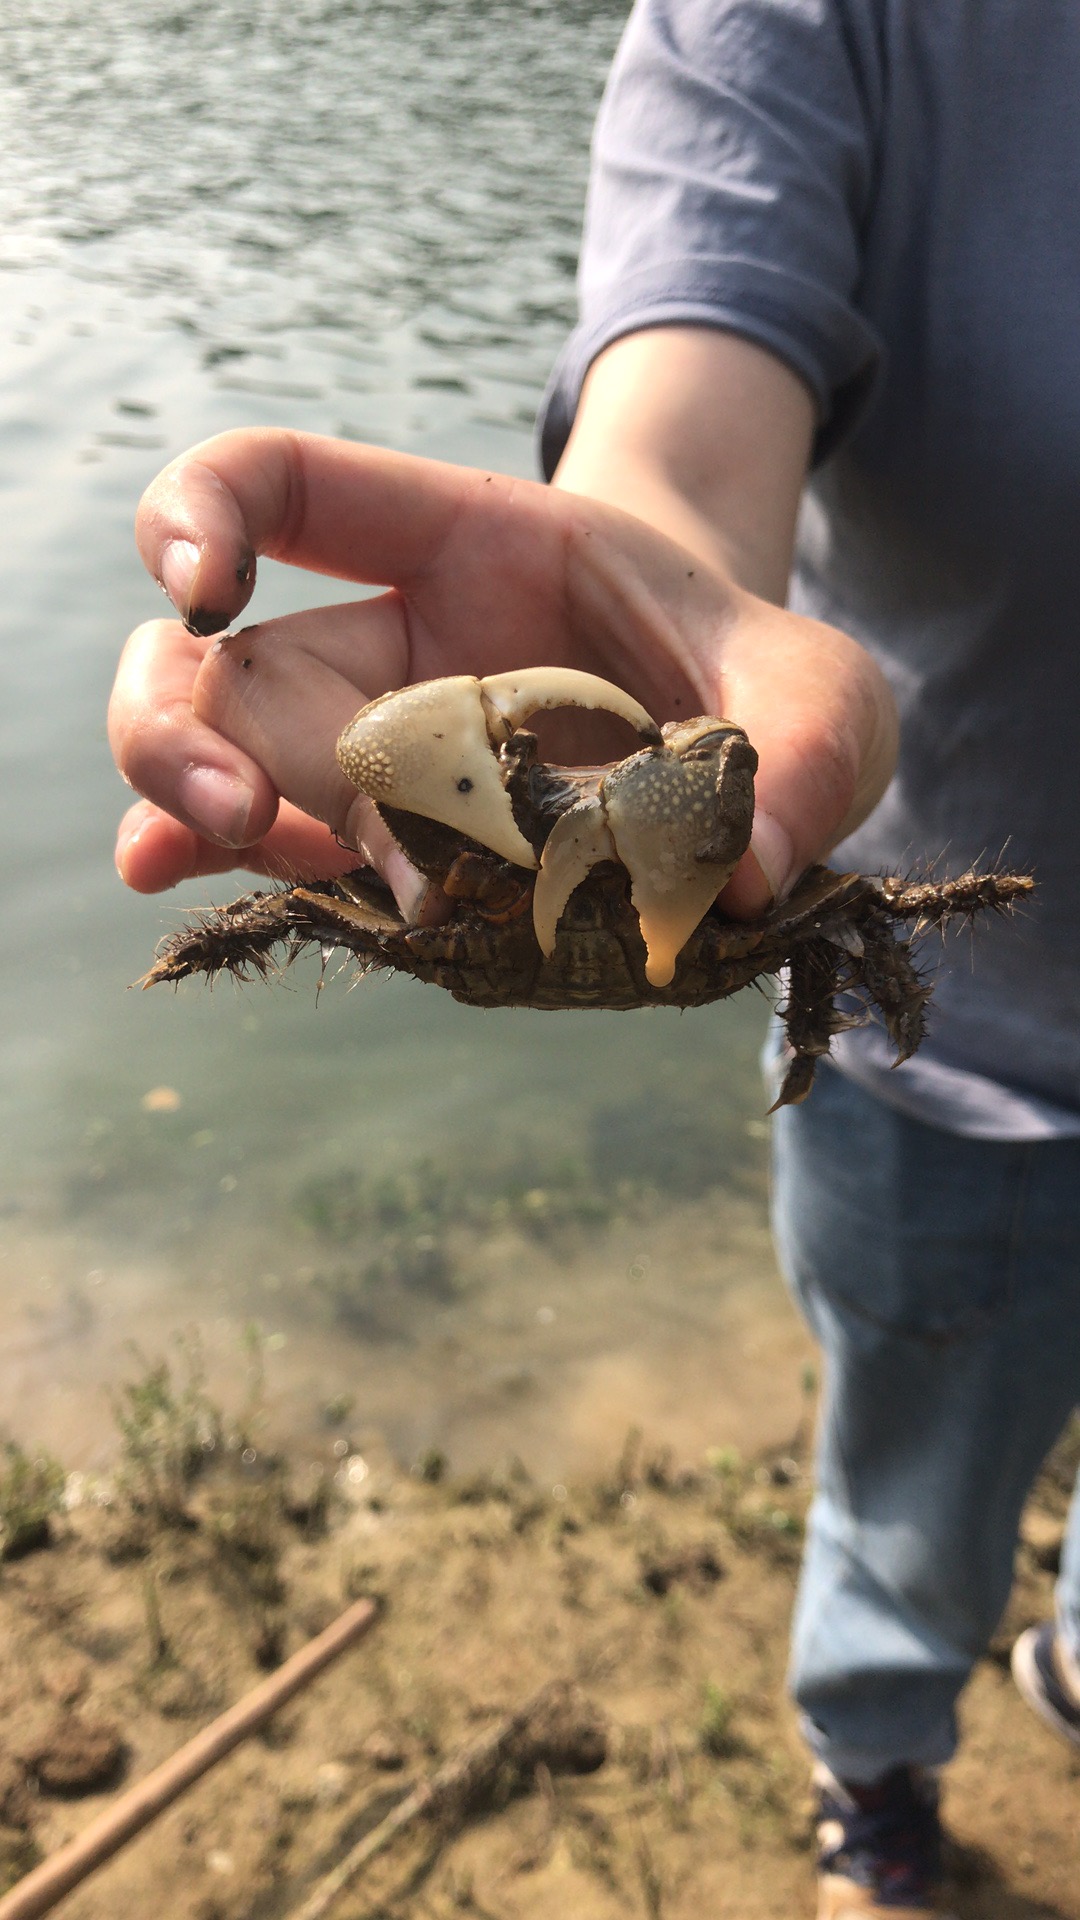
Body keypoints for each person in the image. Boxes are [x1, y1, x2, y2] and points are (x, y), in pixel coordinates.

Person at [108, 3, 1080, 1914]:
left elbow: (857, 921)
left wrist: (849, 956)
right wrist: (634, 595)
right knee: (908, 1479)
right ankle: (874, 1789)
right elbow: (688, 477)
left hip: (848, 964)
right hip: (977, 1073)